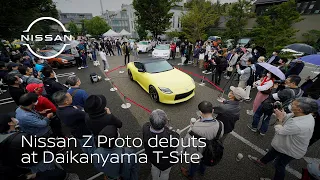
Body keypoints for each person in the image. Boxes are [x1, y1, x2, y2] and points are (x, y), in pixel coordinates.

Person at [249, 97, 318, 180]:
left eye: (293, 104)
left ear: (299, 109)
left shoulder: (299, 124)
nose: (291, 104)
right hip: (284, 144)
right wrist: (282, 112)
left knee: (279, 164)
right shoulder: (304, 114)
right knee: (273, 151)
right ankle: (262, 162)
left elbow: (280, 130)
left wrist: (279, 118)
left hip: (291, 150)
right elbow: (288, 116)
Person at [181, 101, 224, 179]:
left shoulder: (194, 129)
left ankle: (190, 175)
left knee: (194, 163)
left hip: (198, 151)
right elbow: (220, 135)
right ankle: (202, 171)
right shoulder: (220, 124)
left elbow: (187, 143)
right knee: (205, 161)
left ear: (200, 112)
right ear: (213, 110)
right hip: (210, 150)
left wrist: (191, 127)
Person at [53, 91, 94, 155]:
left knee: (83, 144)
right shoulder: (74, 112)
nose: (71, 97)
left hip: (75, 131)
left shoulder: (58, 110)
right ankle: (93, 156)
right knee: (90, 146)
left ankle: (86, 153)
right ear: (66, 102)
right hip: (84, 131)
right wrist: (78, 109)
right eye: (70, 97)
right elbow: (87, 115)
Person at [143, 109, 180, 180]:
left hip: (153, 158)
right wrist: (177, 134)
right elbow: (179, 152)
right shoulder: (174, 138)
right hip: (167, 162)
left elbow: (147, 124)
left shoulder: (145, 128)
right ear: (165, 122)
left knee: (154, 170)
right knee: (165, 174)